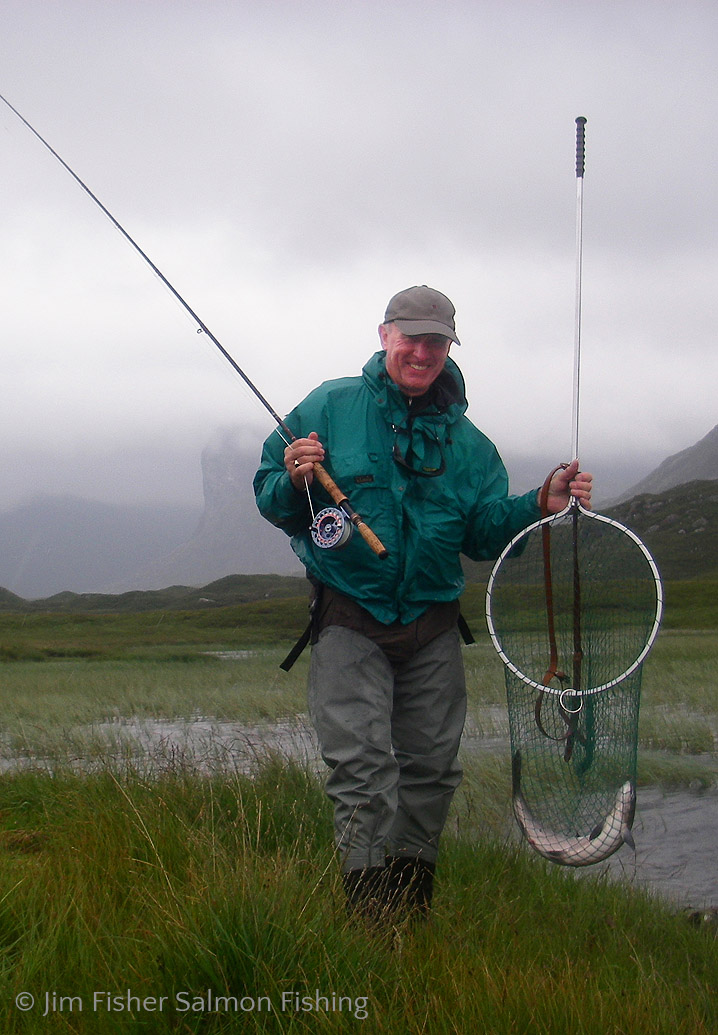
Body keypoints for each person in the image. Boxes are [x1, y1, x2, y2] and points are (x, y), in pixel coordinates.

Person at [253, 285, 592, 922]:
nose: (421, 351)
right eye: (410, 337)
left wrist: (536, 507)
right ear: (384, 335)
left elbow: (486, 532)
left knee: (432, 771)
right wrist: (294, 475)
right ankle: (368, 922)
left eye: (435, 341)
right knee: (362, 770)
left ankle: (410, 914)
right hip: (349, 615)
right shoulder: (329, 405)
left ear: (448, 348)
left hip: (434, 625)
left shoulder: (469, 444)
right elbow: (271, 496)